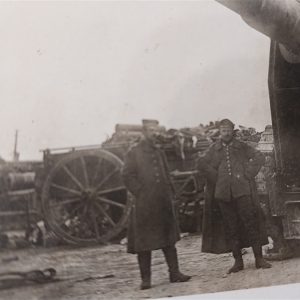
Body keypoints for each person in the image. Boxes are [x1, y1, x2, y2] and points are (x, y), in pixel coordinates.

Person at [122, 119, 191, 290]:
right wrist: (140, 192)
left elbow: (166, 174)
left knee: (168, 240)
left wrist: (171, 194)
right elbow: (127, 175)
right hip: (145, 205)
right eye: (151, 131)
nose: (154, 133)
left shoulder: (159, 152)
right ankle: (146, 280)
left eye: (155, 130)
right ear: (144, 133)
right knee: (143, 244)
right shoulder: (134, 152)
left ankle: (174, 273)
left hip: (162, 202)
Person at [197, 118, 271, 273]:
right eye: (223, 131)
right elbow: (201, 163)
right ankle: (238, 262)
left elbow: (259, 156)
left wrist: (248, 173)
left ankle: (259, 258)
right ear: (220, 132)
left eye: (228, 130)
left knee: (251, 224)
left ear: (232, 131)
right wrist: (215, 177)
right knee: (231, 228)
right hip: (223, 195)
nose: (226, 133)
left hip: (242, 192)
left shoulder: (241, 146)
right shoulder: (214, 149)